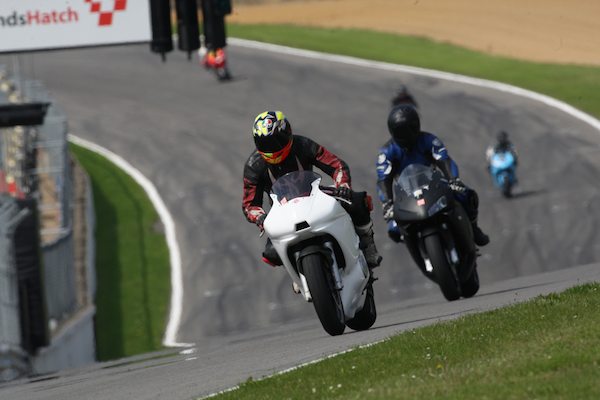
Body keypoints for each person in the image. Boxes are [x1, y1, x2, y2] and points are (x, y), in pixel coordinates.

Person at [243, 110, 382, 269]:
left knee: (358, 201)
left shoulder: (303, 145)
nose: (272, 147)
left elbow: (336, 165)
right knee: (271, 253)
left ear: (287, 132)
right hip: (281, 210)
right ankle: (299, 274)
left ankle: (368, 243)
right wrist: (261, 218)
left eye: (276, 140)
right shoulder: (254, 166)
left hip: (315, 195)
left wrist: (343, 185)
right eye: (265, 144)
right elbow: (249, 205)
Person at [376, 104, 490, 246]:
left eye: (411, 127)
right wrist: (387, 203)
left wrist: (454, 180)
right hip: (405, 193)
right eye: (401, 130)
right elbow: (383, 180)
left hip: (434, 183)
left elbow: (444, 160)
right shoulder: (387, 152)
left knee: (466, 195)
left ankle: (474, 228)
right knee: (393, 229)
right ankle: (415, 246)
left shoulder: (429, 140)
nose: (407, 133)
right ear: (393, 131)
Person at [200, 0, 231, 70]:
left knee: (217, 41)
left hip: (215, 18)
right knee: (212, 40)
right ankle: (211, 59)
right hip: (211, 20)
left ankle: (220, 63)